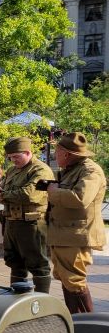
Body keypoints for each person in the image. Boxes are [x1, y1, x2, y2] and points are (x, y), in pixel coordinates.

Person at [46, 132, 107, 313]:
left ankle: (87, 324)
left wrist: (53, 191)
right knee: (65, 276)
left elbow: (81, 198)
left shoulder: (90, 170)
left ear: (66, 154)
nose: (55, 156)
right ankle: (76, 321)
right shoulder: (72, 169)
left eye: (57, 152)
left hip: (75, 234)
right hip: (64, 233)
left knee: (74, 280)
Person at [0, 137, 54, 294]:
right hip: (11, 223)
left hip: (31, 224)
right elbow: (2, 188)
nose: (13, 160)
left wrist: (3, 196)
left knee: (37, 264)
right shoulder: (13, 170)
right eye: (10, 157)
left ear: (27, 152)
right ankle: (17, 297)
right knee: (14, 262)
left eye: (16, 156)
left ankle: (41, 300)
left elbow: (30, 195)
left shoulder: (40, 170)